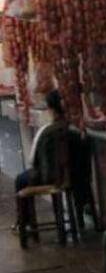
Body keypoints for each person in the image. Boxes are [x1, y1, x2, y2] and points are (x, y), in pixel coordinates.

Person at [14, 90, 70, 231]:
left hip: (49, 177)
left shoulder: (46, 131)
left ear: (50, 108)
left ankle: (24, 222)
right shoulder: (69, 125)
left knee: (20, 180)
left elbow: (32, 159)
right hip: (70, 175)